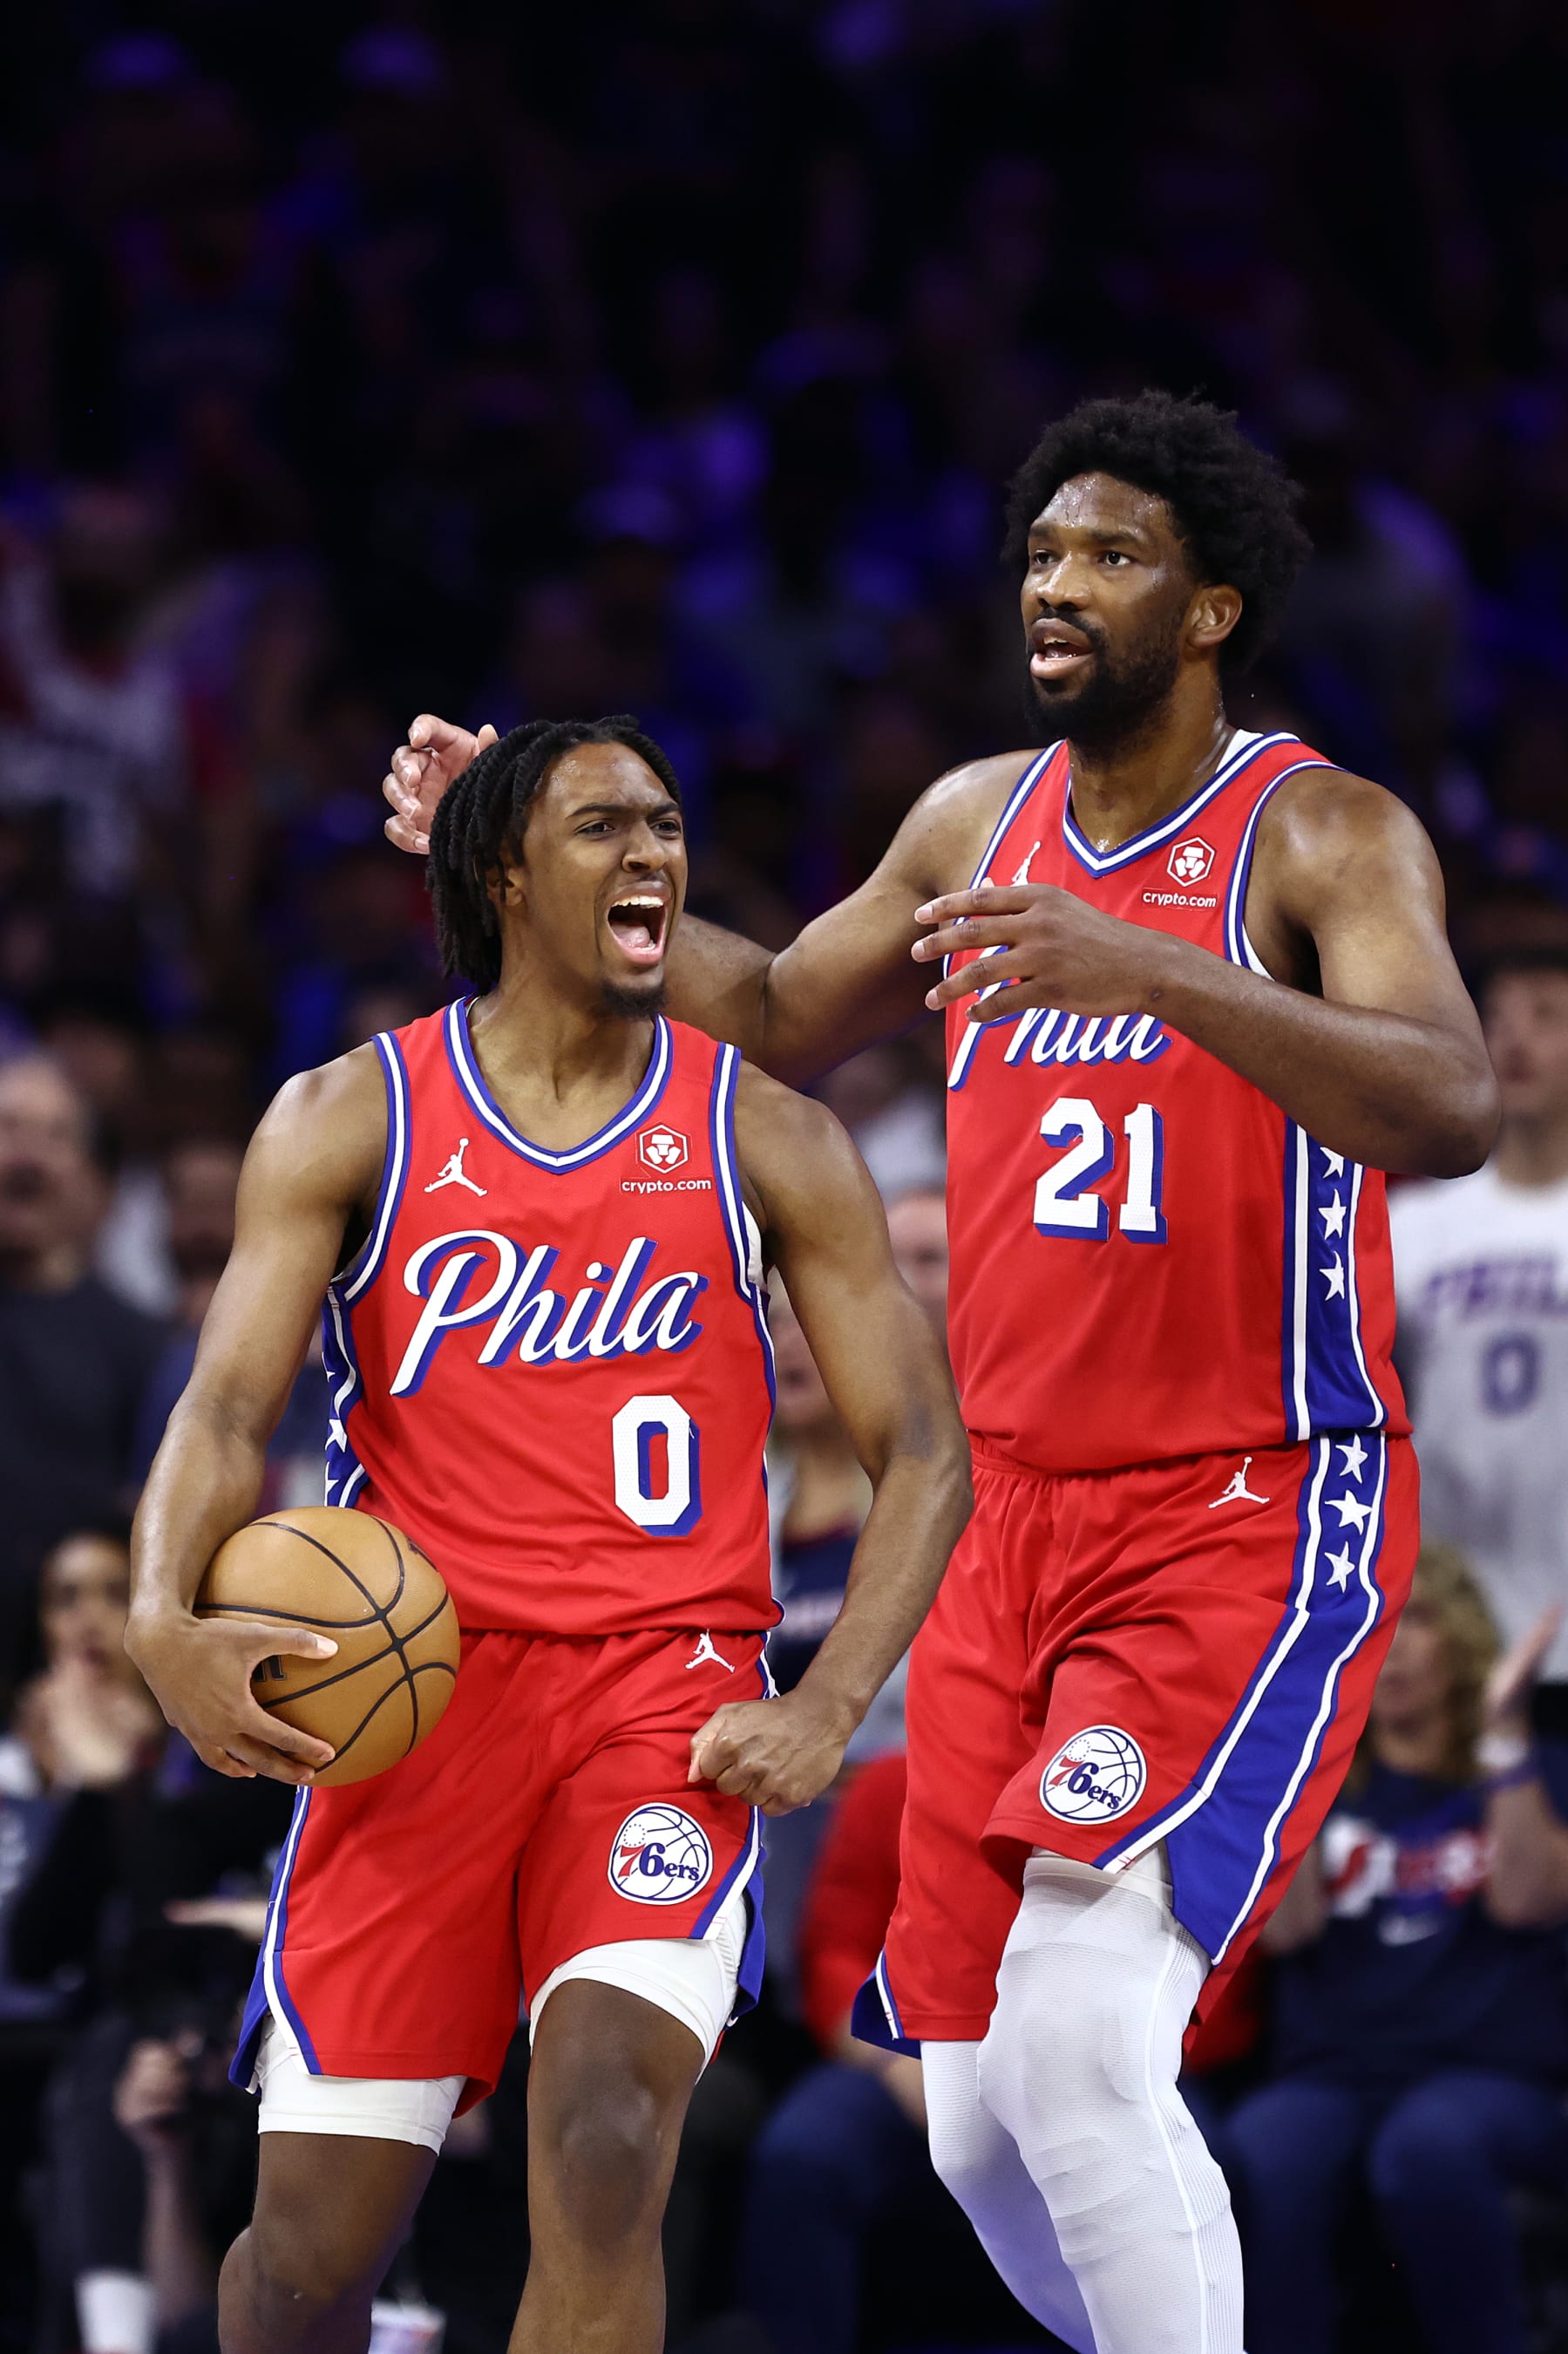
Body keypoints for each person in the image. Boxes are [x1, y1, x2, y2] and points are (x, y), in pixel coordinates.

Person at [385, 390, 1498, 2354]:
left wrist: (1151, 967)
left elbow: (1447, 1104)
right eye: (1041, 555)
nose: (1052, 588)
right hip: (1011, 1520)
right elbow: (769, 1013)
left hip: (1246, 1502)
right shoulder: (972, 817)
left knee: (1080, 2058)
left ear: (1212, 605)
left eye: (1107, 558)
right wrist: (540, 856)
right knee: (978, 2120)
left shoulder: (1315, 829)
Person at [127, 713, 968, 2354]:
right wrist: (163, 1615)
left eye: (665, 821)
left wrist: (826, 1701)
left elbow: (923, 1449)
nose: (652, 851)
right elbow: (225, 1413)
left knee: (599, 2138)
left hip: (658, 1703)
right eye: (601, 826)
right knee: (305, 2270)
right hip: (408, 1711)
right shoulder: (344, 1116)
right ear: (501, 874)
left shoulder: (766, 1131)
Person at [1223, 1546, 1568, 2354]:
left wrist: (1505, 1739)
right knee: (1261, 2154)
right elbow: (1286, 1930)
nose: (1390, 1645)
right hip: (1333, 2076)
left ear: (1459, 1638)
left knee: (1428, 2145)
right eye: (1368, 1625)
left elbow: (1526, 1901)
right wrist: (1295, 1750)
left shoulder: (1536, 1771)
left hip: (1492, 2082)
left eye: (1412, 1620)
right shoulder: (1320, 1783)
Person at [1392, 945, 1568, 1713]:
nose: (1515, 1041)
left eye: (1546, 1018)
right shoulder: (1414, 1223)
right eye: (1496, 1019)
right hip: (1444, 1635)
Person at [0, 1053, 165, 1666]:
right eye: (9, 1129)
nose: (26, 1155)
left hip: (71, 1674)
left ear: (93, 1177)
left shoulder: (142, 1346)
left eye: (54, 1135)